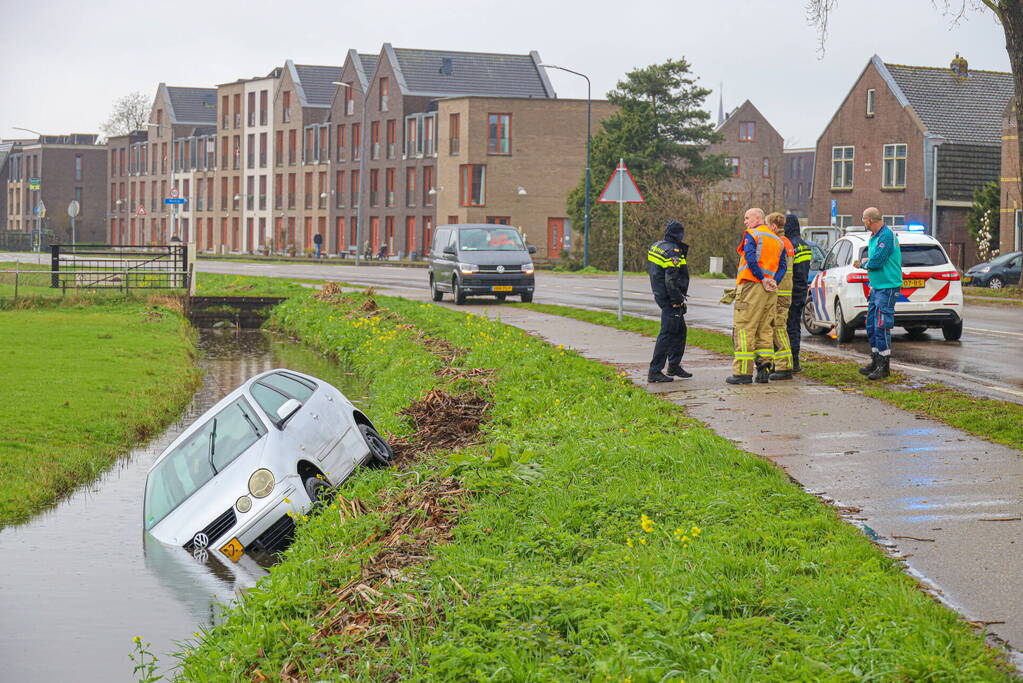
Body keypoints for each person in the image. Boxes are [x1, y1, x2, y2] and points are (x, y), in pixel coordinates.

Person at [727, 207, 787, 385]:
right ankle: (764, 370)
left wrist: (761, 278)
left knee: (744, 327)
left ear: (758, 218)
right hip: (770, 291)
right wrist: (773, 281)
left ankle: (742, 373)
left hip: (751, 287)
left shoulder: (752, 234)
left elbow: (750, 258)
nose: (745, 221)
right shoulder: (778, 240)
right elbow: (782, 266)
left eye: (747, 218)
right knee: (765, 329)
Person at [853, 207, 902, 380]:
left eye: (863, 219)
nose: (863, 223)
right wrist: (869, 261)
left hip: (887, 287)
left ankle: (884, 365)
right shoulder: (875, 236)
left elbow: (878, 262)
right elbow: (876, 258)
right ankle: (875, 359)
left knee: (882, 325)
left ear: (869, 220)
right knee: (871, 325)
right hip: (877, 287)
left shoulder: (886, 236)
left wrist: (863, 264)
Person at [646, 220, 691, 383]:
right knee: (667, 334)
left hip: (661, 294)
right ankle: (655, 371)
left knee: (680, 331)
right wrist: (676, 300)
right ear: (679, 234)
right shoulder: (673, 252)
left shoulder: (657, 246)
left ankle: (674, 366)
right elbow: (671, 280)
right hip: (670, 299)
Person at [766, 213, 795, 380]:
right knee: (779, 328)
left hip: (778, 293)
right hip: (785, 292)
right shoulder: (787, 242)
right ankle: (780, 364)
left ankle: (784, 367)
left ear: (774, 227)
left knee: (778, 329)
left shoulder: (778, 243)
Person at [784, 215, 813, 373]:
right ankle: (795, 360)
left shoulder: (789, 245)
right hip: (802, 289)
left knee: (787, 326)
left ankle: (787, 360)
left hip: (790, 289)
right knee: (795, 325)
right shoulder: (805, 245)